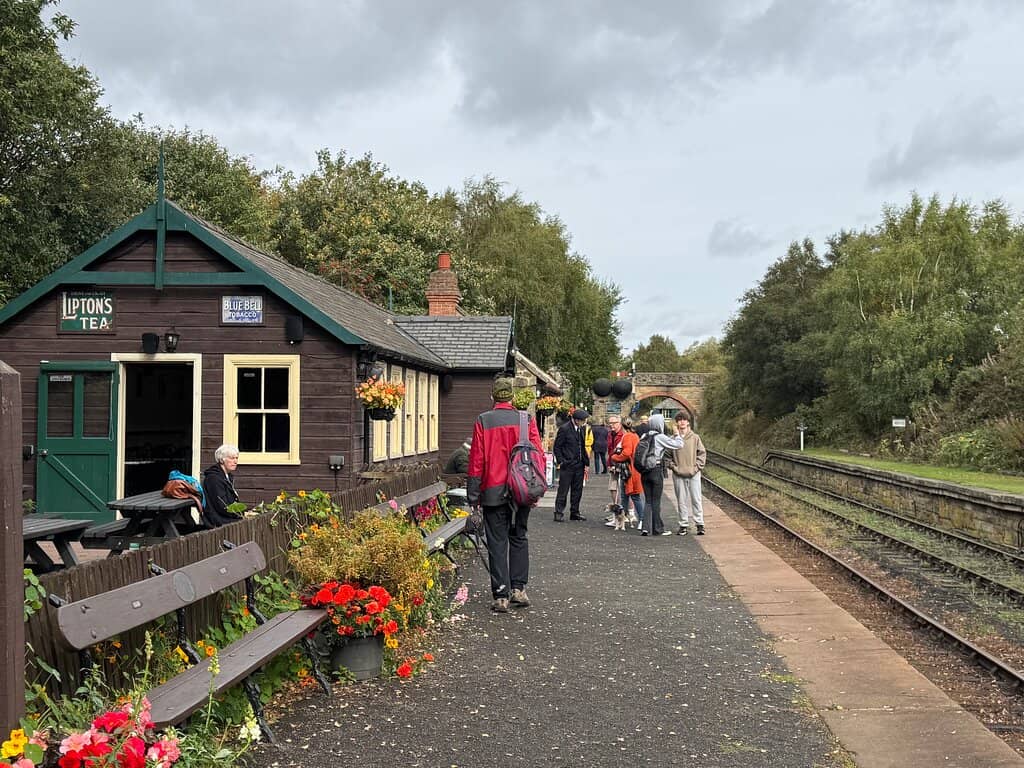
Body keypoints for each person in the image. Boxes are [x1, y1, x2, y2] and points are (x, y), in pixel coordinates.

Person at [467, 376, 545, 613]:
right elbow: (538, 455)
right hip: (521, 489)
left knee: (497, 542)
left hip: (493, 490)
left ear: (492, 397)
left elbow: (477, 461)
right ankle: (519, 589)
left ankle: (500, 594)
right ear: (511, 397)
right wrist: (535, 489)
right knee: (519, 536)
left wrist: (473, 496)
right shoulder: (526, 420)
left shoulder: (483, 421)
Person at [636, 414, 683, 536]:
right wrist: (677, 434)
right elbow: (679, 445)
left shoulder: (644, 436)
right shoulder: (660, 437)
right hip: (656, 470)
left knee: (648, 501)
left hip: (644, 471)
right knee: (656, 501)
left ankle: (645, 528)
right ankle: (657, 529)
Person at [670, 412, 707, 535]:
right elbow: (666, 456)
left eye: (684, 419)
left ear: (688, 422)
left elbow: (702, 453)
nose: (682, 422)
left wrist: (696, 468)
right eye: (679, 420)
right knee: (681, 500)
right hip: (678, 473)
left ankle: (700, 524)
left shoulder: (695, 437)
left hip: (694, 473)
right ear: (677, 422)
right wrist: (673, 467)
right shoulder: (672, 439)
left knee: (696, 499)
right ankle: (683, 524)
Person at [552, 408, 591, 522]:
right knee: (563, 490)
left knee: (577, 490)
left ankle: (575, 512)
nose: (584, 422)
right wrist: (561, 461)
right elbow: (557, 447)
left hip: (579, 464)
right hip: (567, 465)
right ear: (576, 420)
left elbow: (582, 446)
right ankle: (558, 512)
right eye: (583, 420)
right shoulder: (564, 429)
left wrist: (586, 462)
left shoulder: (581, 429)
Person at [609, 417, 645, 529]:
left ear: (622, 426)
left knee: (634, 496)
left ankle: (642, 520)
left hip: (630, 471)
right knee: (625, 496)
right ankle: (621, 519)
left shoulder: (628, 436)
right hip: (632, 469)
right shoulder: (635, 436)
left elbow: (626, 453)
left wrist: (614, 457)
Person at [201, 443, 242, 528]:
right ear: (222, 460)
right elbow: (222, 506)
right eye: (231, 458)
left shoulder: (227, 476)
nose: (235, 461)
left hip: (228, 517)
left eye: (236, 458)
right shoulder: (213, 479)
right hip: (218, 521)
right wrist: (240, 515)